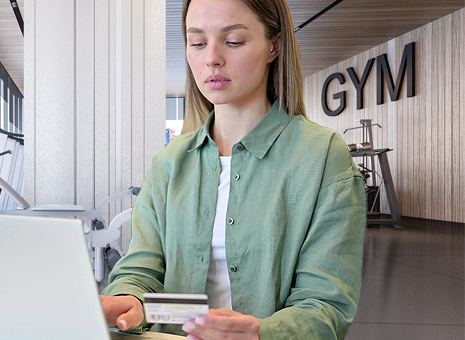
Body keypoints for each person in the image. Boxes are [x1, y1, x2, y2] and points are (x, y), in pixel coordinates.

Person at [100, 0, 366, 339]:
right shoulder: (169, 162)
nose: (211, 57)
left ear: (274, 46)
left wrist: (262, 333)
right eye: (197, 42)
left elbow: (325, 305)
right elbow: (141, 270)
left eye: (233, 41)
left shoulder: (323, 158)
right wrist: (129, 300)